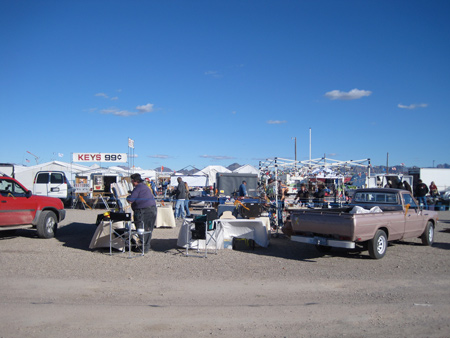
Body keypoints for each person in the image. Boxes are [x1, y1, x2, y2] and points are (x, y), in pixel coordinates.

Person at [126, 173, 157, 253]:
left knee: (141, 229)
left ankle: (144, 247)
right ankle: (146, 246)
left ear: (134, 181)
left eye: (132, 180)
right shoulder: (144, 186)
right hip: (151, 209)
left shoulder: (138, 188)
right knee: (148, 229)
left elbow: (131, 200)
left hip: (143, 211)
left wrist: (128, 197)